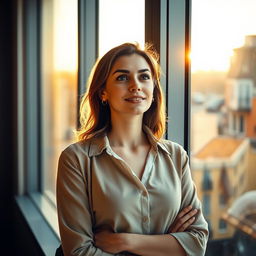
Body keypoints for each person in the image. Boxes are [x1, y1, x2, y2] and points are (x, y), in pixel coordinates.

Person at [56, 42, 209, 256]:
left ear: (154, 90)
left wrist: (125, 242)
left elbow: (197, 242)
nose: (135, 85)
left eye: (144, 77)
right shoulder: (76, 160)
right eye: (122, 77)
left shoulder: (175, 156)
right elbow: (80, 252)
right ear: (103, 92)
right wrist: (166, 245)